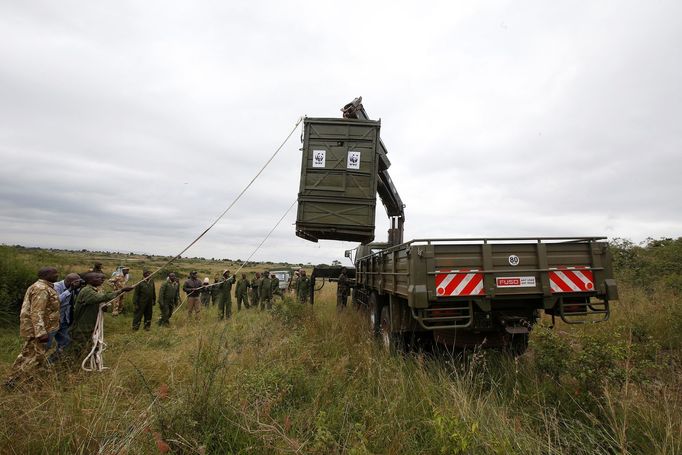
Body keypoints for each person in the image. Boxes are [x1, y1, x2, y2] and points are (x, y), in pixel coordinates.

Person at [4, 267, 61, 388]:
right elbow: (36, 312)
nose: (57, 275)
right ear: (45, 275)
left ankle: (27, 379)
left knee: (36, 355)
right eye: (54, 273)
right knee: (30, 355)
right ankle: (13, 381)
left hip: (46, 327)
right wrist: (40, 332)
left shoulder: (47, 287)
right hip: (39, 330)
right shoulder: (41, 289)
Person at [69, 272, 133, 357]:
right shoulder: (87, 290)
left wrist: (102, 306)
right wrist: (121, 290)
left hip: (90, 323)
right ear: (89, 280)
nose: (100, 280)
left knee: (90, 343)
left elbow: (97, 301)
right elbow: (99, 298)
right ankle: (74, 362)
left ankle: (88, 359)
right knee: (79, 346)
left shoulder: (94, 289)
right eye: (97, 278)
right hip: (83, 325)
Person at [47, 272, 82, 356]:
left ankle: (52, 362)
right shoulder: (56, 286)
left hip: (63, 320)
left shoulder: (74, 288)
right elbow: (56, 302)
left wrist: (77, 289)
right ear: (70, 282)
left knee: (65, 342)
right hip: (51, 321)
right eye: (77, 282)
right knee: (46, 345)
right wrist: (69, 290)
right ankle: (36, 363)